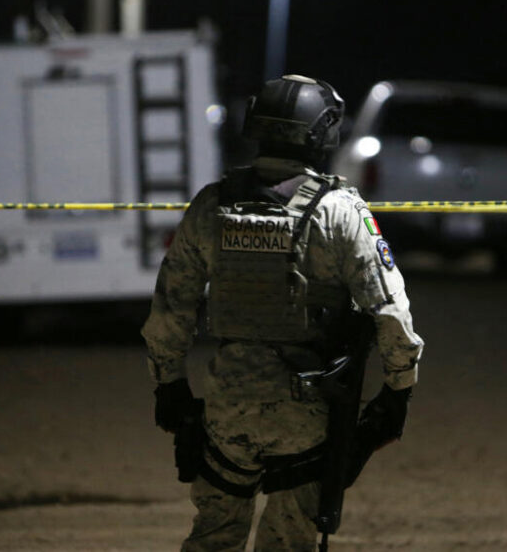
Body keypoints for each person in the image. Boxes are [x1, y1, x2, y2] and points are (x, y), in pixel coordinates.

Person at [141, 74, 424, 552]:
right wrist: (398, 391)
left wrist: (168, 382)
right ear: (319, 134)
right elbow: (390, 312)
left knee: (212, 538)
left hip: (226, 409)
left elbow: (172, 306)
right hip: (307, 413)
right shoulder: (340, 211)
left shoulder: (212, 204)